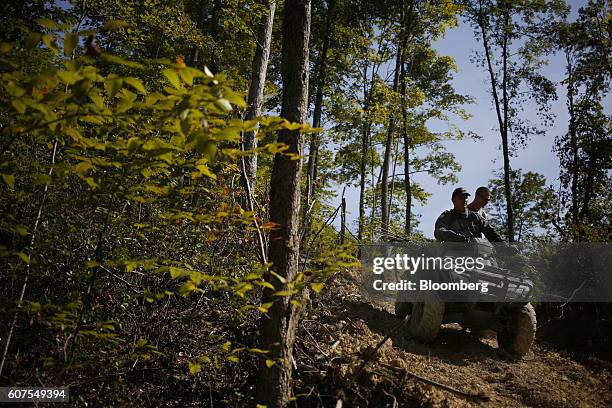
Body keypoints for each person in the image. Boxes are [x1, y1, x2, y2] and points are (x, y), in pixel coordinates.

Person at [434, 187, 504, 243]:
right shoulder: (447, 216)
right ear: (453, 200)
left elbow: (491, 233)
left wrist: (505, 246)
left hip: (476, 256)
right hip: (454, 254)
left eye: (466, 198)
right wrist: (456, 237)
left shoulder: (476, 217)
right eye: (461, 198)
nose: (464, 200)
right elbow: (439, 231)